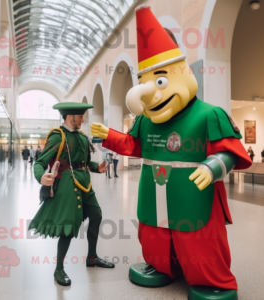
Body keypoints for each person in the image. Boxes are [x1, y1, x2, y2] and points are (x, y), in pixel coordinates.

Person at [91, 6, 252, 300]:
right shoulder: (146, 119)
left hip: (193, 194)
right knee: (154, 233)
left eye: (160, 81)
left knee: (199, 239)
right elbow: (135, 145)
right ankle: (162, 266)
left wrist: (212, 167)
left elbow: (230, 152)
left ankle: (211, 279)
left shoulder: (208, 115)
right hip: (153, 191)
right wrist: (111, 137)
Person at [28, 102, 114, 287]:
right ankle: (59, 268)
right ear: (69, 117)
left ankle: (92, 257)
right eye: (80, 116)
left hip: (85, 185)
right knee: (68, 227)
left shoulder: (82, 137)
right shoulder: (58, 137)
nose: (83, 120)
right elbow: (40, 162)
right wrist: (40, 176)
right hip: (67, 186)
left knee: (97, 216)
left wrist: (97, 168)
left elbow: (84, 163)